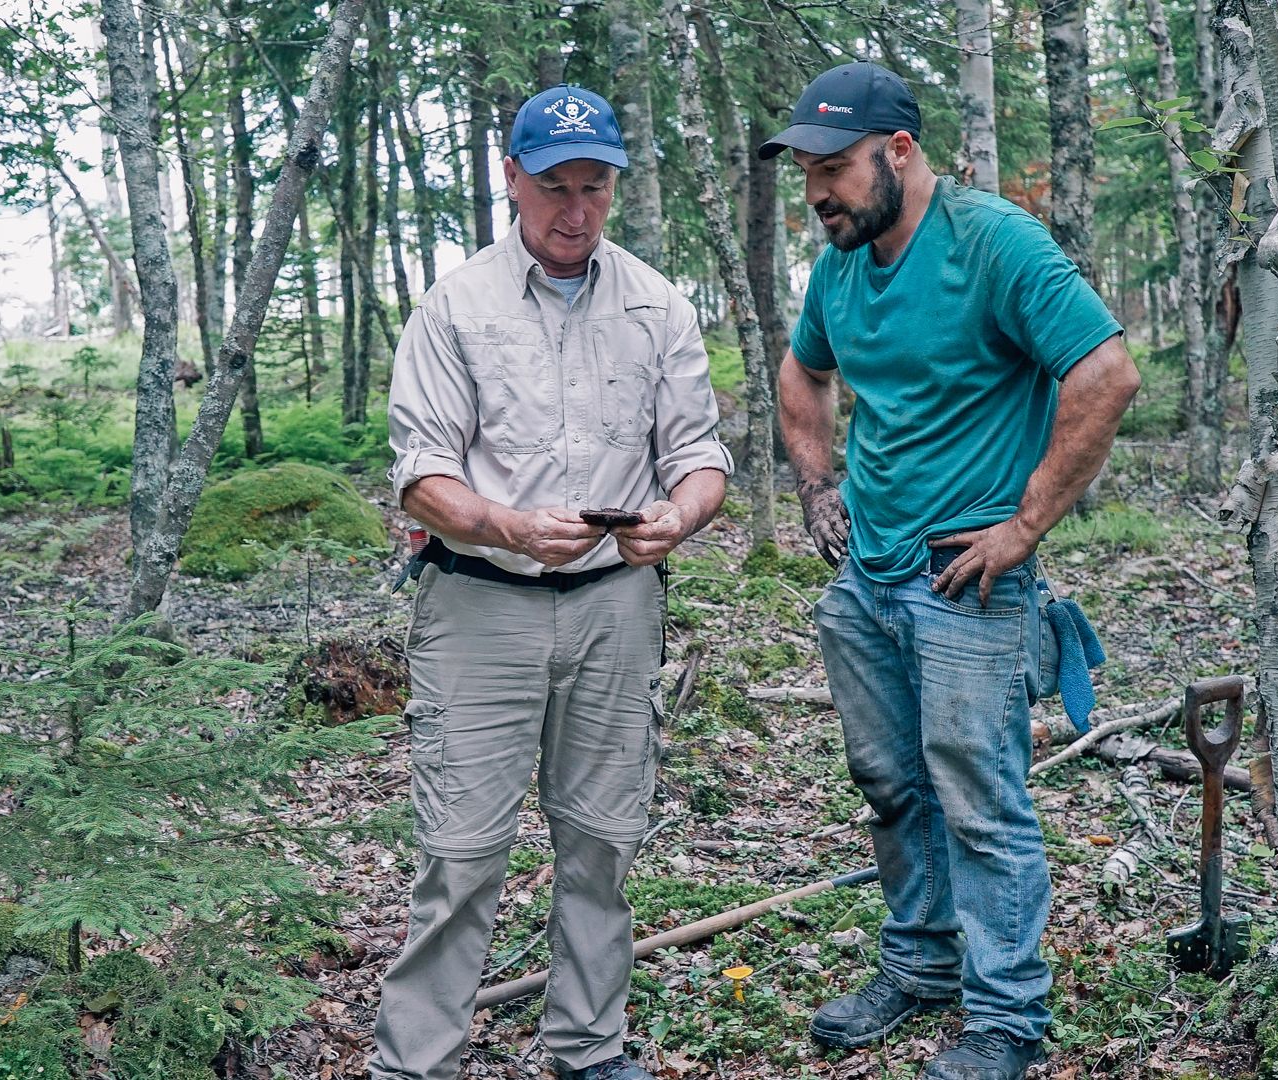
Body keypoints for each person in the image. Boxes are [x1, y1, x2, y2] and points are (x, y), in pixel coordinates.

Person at [761, 62, 1141, 1080]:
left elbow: (1106, 374)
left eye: (832, 168)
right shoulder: (841, 260)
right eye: (805, 172)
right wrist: (816, 484)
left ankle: (1008, 1018)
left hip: (968, 582)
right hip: (869, 579)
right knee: (891, 785)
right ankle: (922, 964)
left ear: (897, 152)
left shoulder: (993, 242)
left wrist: (1022, 529)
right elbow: (803, 369)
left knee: (979, 800)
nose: (816, 194)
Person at [368, 84, 732, 1080]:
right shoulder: (456, 308)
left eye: (597, 188)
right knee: (462, 852)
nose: (576, 212)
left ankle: (587, 1046)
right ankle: (418, 1062)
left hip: (617, 606)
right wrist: (510, 525)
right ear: (512, 179)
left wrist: (680, 514)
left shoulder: (656, 304)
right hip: (480, 605)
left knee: (604, 840)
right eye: (557, 188)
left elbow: (701, 456)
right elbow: (422, 478)